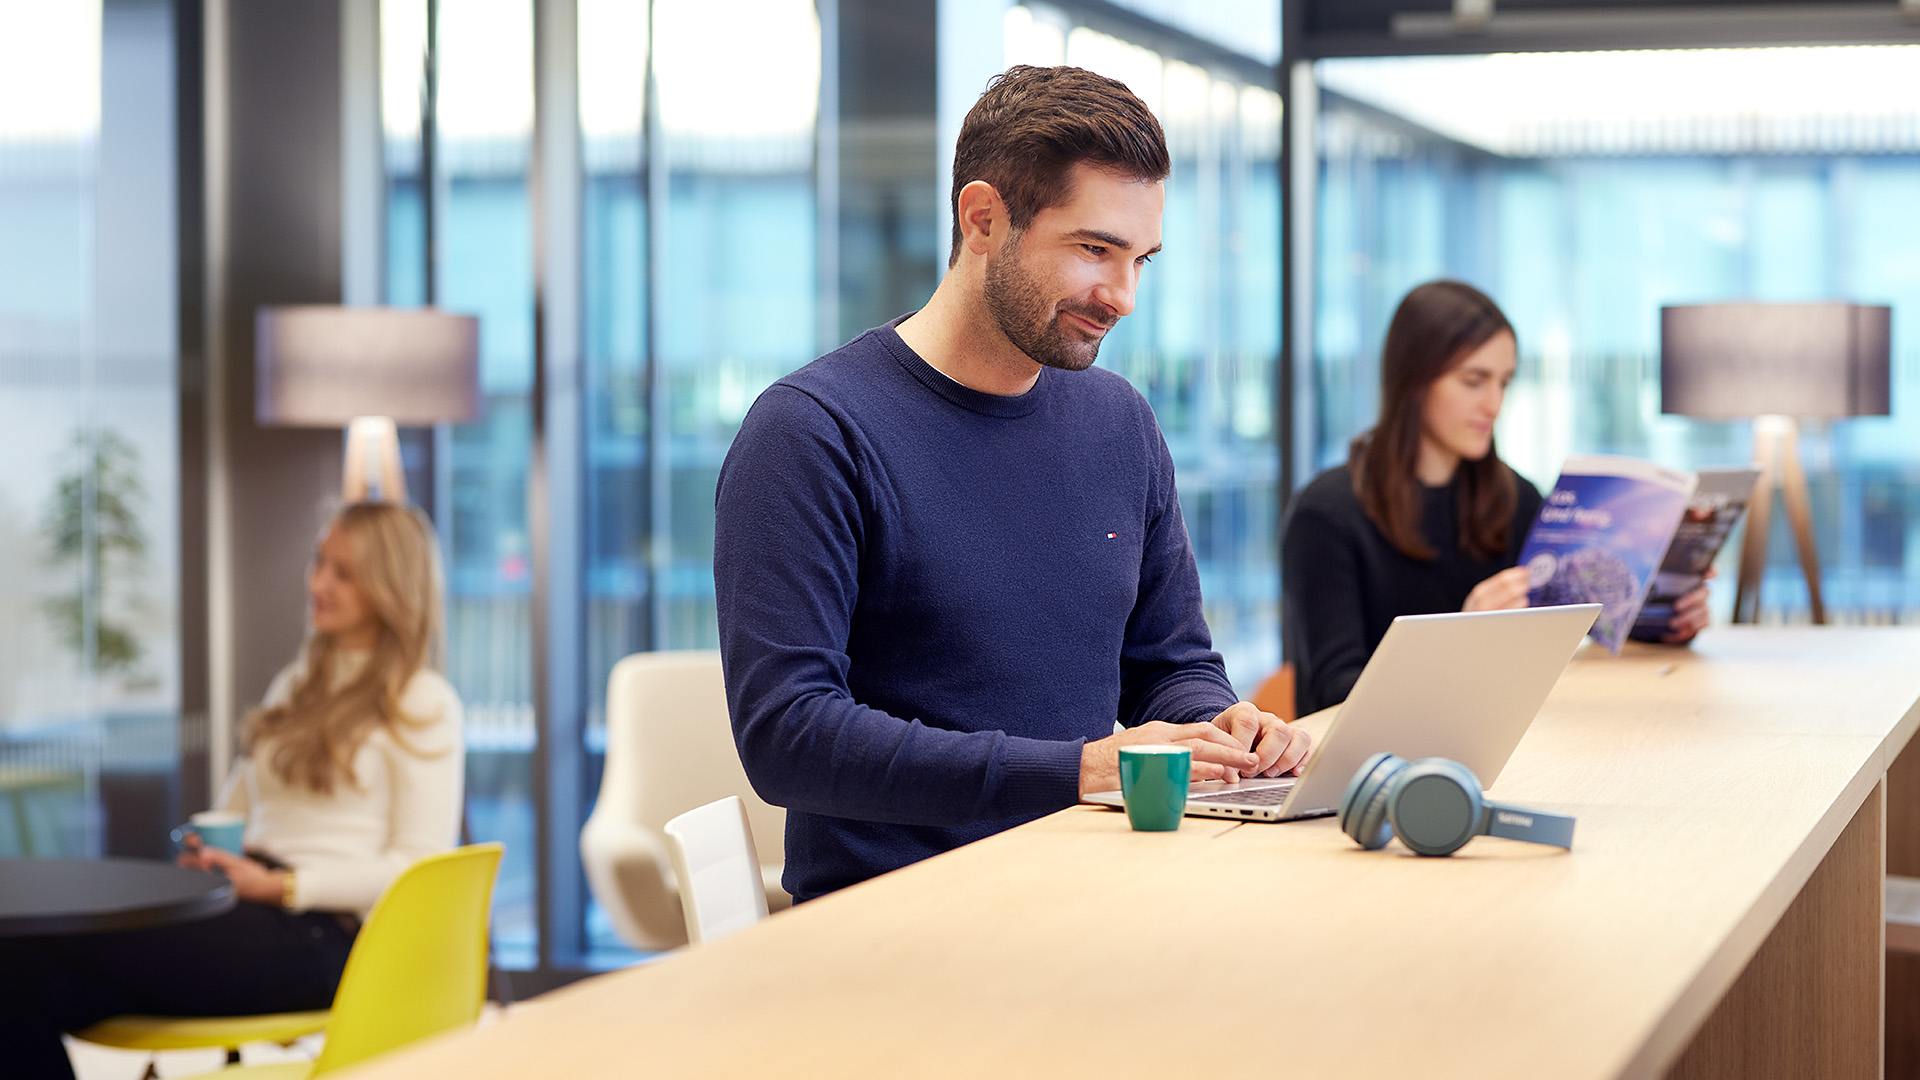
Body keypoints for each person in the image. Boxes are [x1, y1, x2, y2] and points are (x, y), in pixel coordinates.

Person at [713, 65, 1310, 903]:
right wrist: (1081, 769)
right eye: (1095, 250)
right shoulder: (811, 432)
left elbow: (1169, 662)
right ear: (983, 218)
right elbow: (790, 737)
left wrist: (1219, 726)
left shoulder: (1119, 424)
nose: (1123, 296)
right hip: (894, 924)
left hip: (1090, 891)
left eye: (1141, 258)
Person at [0, 501, 463, 1080]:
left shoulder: (423, 702)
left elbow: (418, 865)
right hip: (241, 900)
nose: (318, 582)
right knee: (20, 979)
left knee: (27, 973)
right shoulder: (296, 683)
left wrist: (282, 886)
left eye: (343, 572)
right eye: (319, 562)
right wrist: (208, 849)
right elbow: (236, 805)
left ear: (390, 584)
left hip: (322, 934)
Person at [1282, 280, 1711, 716]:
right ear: (1413, 381)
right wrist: (1458, 645)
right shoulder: (1327, 514)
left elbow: (1578, 624)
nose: (1494, 403)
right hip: (1380, 768)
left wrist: (1668, 620)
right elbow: (1331, 693)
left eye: (1504, 382)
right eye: (1474, 381)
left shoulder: (1513, 497)